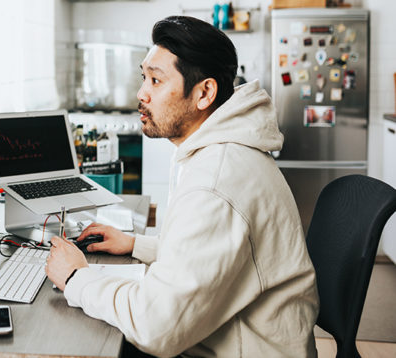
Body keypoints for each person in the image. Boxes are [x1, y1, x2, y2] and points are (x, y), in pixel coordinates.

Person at [45, 16, 319, 358]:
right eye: (143, 77)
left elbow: (157, 328)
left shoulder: (217, 181)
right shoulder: (219, 153)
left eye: (156, 81)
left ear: (204, 93)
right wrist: (136, 244)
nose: (141, 93)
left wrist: (75, 278)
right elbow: (208, 257)